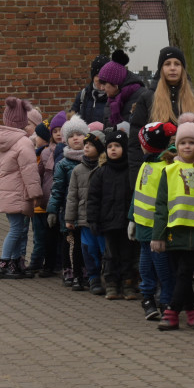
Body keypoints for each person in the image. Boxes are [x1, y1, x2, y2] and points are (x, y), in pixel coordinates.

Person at [152, 116, 194, 331]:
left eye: (192, 142)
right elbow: (161, 205)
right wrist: (158, 235)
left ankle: (171, 312)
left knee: (185, 272)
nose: (187, 146)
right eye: (182, 142)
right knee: (182, 274)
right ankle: (193, 312)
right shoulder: (168, 171)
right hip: (174, 230)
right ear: (176, 145)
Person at [128, 46, 194, 177]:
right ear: (161, 69)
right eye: (167, 64)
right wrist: (136, 175)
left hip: (193, 171)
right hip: (157, 171)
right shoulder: (148, 98)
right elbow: (135, 140)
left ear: (183, 68)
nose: (172, 68)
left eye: (177, 64)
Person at [129, 121, 179, 320]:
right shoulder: (147, 163)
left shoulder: (166, 167)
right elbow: (137, 192)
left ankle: (165, 298)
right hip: (142, 223)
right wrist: (132, 218)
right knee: (147, 262)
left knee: (161, 263)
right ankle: (148, 296)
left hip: (158, 225)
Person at [0, 97, 43, 279]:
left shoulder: (2, 140)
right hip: (17, 192)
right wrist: (36, 193)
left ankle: (14, 263)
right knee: (16, 229)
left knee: (18, 228)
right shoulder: (23, 142)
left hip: (6, 191)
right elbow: (29, 171)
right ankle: (5, 263)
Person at [48, 115, 90, 290]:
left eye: (79, 135)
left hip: (87, 211)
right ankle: (69, 270)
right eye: (71, 136)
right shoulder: (63, 164)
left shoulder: (92, 162)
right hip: (68, 211)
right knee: (70, 242)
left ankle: (85, 270)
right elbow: (57, 188)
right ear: (66, 140)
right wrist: (52, 209)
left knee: (85, 243)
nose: (75, 138)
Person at [97, 128, 137, 300]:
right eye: (110, 146)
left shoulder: (131, 171)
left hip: (126, 222)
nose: (113, 149)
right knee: (110, 254)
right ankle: (111, 284)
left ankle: (128, 284)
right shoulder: (101, 172)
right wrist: (93, 219)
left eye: (117, 146)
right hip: (108, 221)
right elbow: (93, 198)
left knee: (128, 255)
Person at [68, 129, 105, 294]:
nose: (87, 147)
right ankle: (93, 277)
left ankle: (107, 277)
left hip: (103, 218)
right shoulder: (77, 171)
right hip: (84, 218)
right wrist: (69, 218)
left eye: (91, 145)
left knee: (104, 249)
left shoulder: (105, 168)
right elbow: (72, 196)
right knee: (88, 249)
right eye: (86, 144)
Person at [27, 123, 59, 278]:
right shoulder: (40, 153)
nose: (35, 138)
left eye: (37, 135)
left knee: (45, 237)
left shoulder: (45, 153)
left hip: (48, 204)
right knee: (40, 236)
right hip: (40, 203)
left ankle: (40, 262)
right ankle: (39, 262)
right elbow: (37, 176)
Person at [96, 51, 147, 137]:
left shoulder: (141, 96)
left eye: (104, 84)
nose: (101, 88)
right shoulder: (111, 99)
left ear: (115, 83)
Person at [70, 55, 110, 126]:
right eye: (98, 75)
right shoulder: (84, 94)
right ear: (93, 76)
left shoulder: (114, 96)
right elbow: (72, 116)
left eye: (104, 75)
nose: (101, 79)